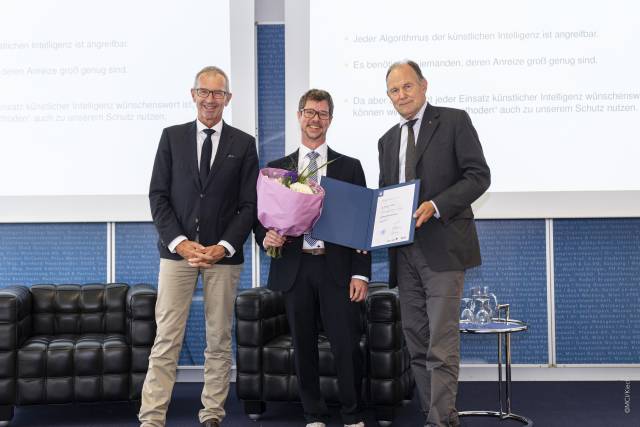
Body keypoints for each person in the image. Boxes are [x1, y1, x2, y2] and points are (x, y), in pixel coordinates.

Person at [140, 66, 259, 427]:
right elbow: (158, 196)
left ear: (228, 98)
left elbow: (250, 205)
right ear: (193, 94)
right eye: (204, 92)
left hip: (223, 257)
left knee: (219, 339)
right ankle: (152, 416)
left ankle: (211, 414)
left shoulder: (243, 143)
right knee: (166, 339)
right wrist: (179, 243)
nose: (210, 99)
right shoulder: (171, 137)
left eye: (218, 93)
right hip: (177, 254)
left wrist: (223, 245)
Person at [378, 60, 491, 427]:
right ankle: (438, 416)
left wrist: (437, 204)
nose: (401, 95)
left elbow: (479, 176)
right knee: (416, 340)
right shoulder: (387, 141)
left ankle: (439, 421)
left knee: (441, 343)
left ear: (424, 85)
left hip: (443, 249)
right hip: (403, 252)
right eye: (394, 90)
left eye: (407, 86)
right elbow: (387, 197)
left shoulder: (454, 121)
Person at [255, 89, 371, 427]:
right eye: (309, 112)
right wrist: (268, 238)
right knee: (302, 347)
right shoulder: (277, 170)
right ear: (299, 116)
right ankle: (313, 414)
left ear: (330, 119)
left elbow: (362, 224)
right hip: (296, 268)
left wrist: (361, 274)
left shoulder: (350, 167)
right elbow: (259, 221)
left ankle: (352, 415)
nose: (314, 119)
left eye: (321, 113)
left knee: (346, 346)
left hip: (336, 269)